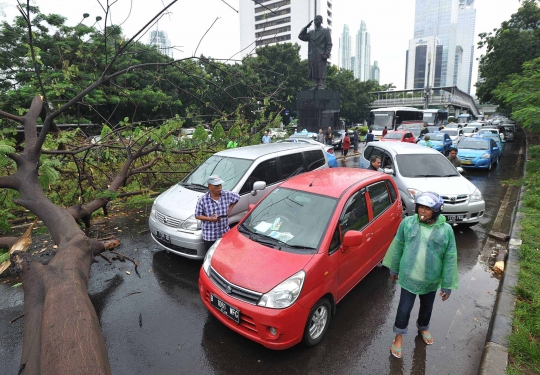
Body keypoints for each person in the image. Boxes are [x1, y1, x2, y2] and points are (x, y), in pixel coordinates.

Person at [382, 192, 458, 359]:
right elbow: (398, 246)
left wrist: (447, 284)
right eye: (421, 207)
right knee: (404, 308)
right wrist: (394, 269)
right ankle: (399, 336)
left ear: (436, 211)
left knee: (427, 307)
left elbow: (450, 257)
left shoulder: (446, 231)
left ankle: (423, 327)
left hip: (431, 280)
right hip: (409, 277)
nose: (423, 211)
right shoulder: (407, 224)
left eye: (428, 208)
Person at [195, 175, 240, 251]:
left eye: (220, 185)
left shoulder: (226, 194)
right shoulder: (202, 200)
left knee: (224, 254)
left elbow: (237, 197)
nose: (219, 187)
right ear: (209, 186)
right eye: (216, 186)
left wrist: (229, 209)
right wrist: (210, 219)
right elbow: (197, 215)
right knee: (211, 255)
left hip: (224, 232)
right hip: (210, 235)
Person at [298, 15, 333, 90]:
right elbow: (301, 36)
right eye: (314, 20)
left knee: (321, 70)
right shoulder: (311, 32)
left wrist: (326, 54)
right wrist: (306, 27)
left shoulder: (325, 31)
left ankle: (321, 85)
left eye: (317, 20)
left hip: (321, 55)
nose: (315, 21)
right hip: (312, 54)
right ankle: (315, 85)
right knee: (313, 70)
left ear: (321, 21)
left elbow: (329, 44)